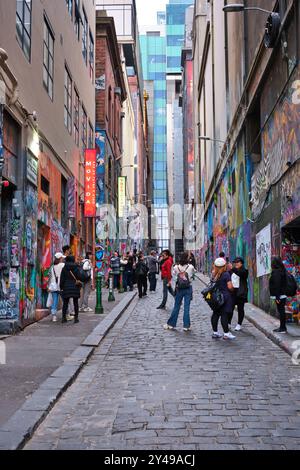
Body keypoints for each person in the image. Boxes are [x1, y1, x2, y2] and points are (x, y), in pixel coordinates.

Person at [163, 252, 196, 332]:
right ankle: (186, 326)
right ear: (187, 258)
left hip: (179, 288)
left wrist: (179, 280)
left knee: (176, 306)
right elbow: (193, 276)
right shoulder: (190, 267)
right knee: (186, 308)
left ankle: (171, 324)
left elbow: (174, 278)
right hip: (188, 288)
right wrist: (189, 279)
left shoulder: (176, 267)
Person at [211, 257, 236, 340]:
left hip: (216, 297)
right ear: (224, 266)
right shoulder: (226, 274)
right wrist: (233, 288)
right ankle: (226, 333)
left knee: (215, 314)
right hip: (224, 297)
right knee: (224, 315)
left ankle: (215, 332)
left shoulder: (214, 273)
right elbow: (230, 287)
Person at [60, 256, 85, 324]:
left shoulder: (64, 268)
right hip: (75, 286)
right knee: (75, 303)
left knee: (65, 303)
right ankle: (76, 318)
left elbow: (62, 279)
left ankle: (63, 318)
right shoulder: (76, 267)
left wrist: (61, 287)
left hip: (66, 287)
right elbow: (80, 277)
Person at [228, 257, 249, 331]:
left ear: (241, 263)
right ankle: (228, 323)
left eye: (237, 262)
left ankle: (239, 324)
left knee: (240, 309)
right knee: (230, 308)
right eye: (235, 262)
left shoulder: (244, 271)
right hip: (232, 292)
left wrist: (232, 269)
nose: (236, 263)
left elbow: (240, 274)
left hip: (241, 292)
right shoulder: (232, 271)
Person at [269, 257, 288, 333]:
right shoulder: (281, 270)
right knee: (281, 310)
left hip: (279, 295)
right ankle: (282, 327)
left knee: (281, 311)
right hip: (282, 294)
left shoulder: (276, 272)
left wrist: (277, 297)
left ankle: (283, 328)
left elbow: (277, 285)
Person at [47, 253, 65, 322]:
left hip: (53, 285)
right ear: (60, 258)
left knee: (54, 300)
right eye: (62, 258)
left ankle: (54, 316)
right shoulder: (63, 265)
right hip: (61, 285)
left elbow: (49, 276)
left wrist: (49, 286)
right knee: (64, 300)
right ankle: (66, 314)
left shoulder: (52, 267)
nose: (63, 259)